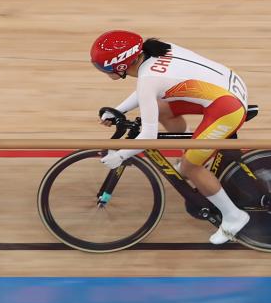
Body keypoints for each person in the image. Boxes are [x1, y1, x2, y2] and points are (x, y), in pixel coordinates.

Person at [89, 30, 251, 245]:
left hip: (227, 108)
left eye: (103, 67)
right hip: (228, 87)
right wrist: (118, 110)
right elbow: (148, 89)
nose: (102, 71)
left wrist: (121, 156)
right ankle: (191, 155)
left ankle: (234, 217)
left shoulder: (148, 79)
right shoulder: (156, 50)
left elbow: (148, 135)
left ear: (120, 66)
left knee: (191, 168)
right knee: (163, 109)